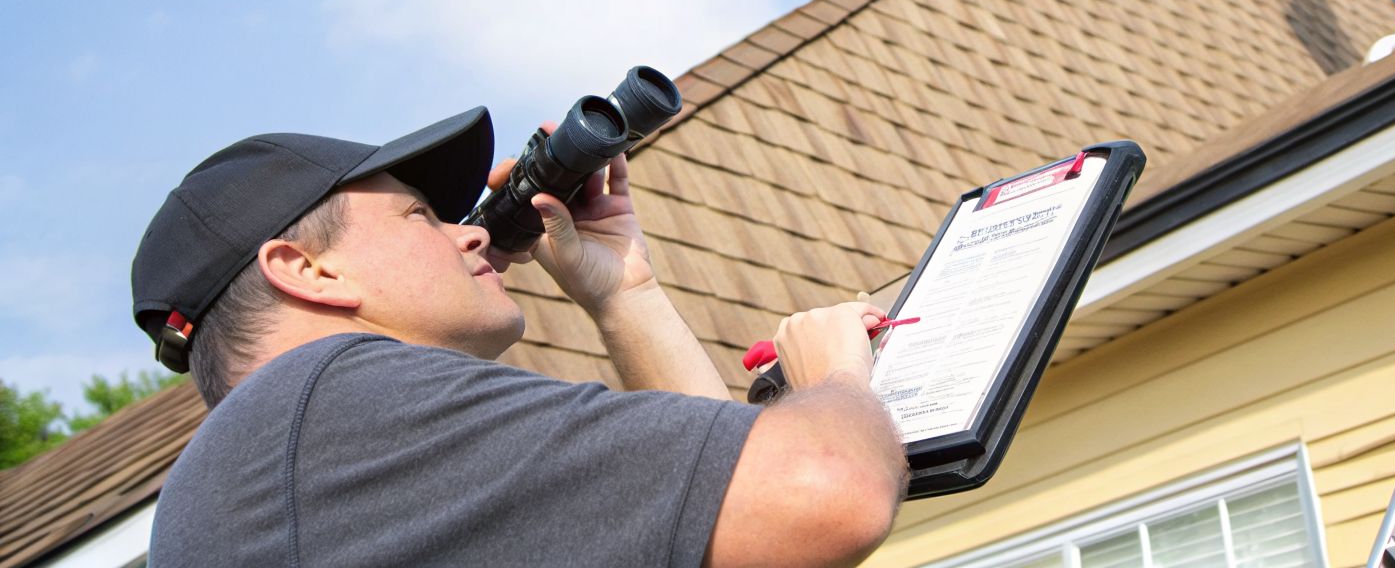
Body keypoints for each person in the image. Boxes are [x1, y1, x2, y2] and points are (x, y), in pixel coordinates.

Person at [130, 106, 906, 567]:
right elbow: (825, 491)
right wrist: (835, 377)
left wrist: (623, 294)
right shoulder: (333, 397)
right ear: (307, 270)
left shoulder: (286, 469)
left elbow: (736, 529)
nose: (469, 234)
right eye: (418, 215)